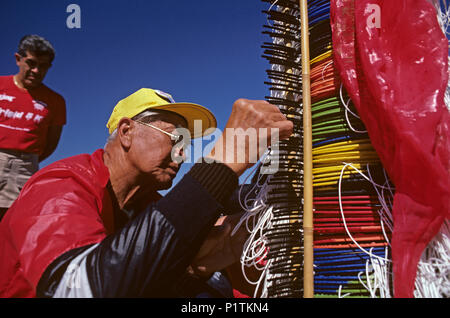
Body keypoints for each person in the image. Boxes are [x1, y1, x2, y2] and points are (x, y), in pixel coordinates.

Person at [0, 88, 293, 298]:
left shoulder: (145, 205)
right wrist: (222, 163)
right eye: (175, 138)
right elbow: (74, 289)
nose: (183, 152)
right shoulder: (60, 186)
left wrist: (198, 269)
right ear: (126, 132)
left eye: (188, 143)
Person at [0, 35, 66, 220]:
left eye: (43, 66)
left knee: (14, 222)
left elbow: (51, 144)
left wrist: (26, 159)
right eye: (31, 63)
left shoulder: (55, 102)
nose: (36, 70)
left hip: (25, 169)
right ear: (18, 59)